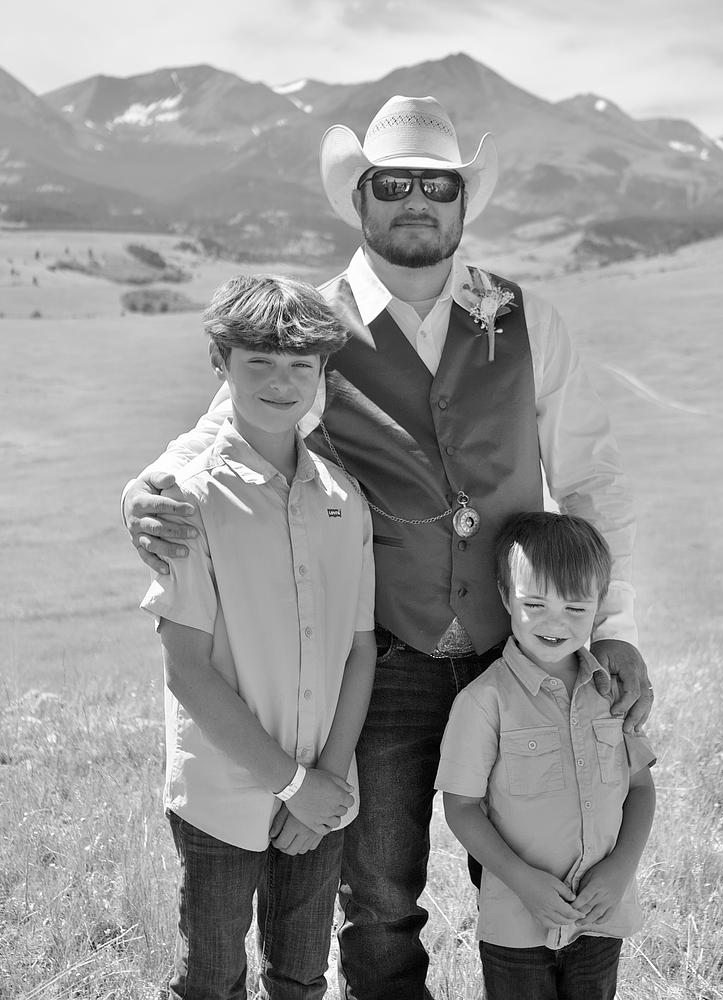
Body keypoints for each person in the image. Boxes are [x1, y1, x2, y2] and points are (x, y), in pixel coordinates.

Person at [123, 95, 654, 1000]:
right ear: (360, 197)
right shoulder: (315, 324)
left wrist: (612, 628)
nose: (416, 200)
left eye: (437, 186)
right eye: (394, 183)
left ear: (462, 202)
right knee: (376, 897)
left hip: (522, 653)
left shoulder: (528, 318)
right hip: (381, 657)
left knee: (547, 871)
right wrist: (144, 489)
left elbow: (591, 478)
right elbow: (222, 435)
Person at [139, 274, 377, 1000]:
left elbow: (360, 650)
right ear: (220, 362)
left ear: (323, 372)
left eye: (301, 365)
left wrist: (323, 784)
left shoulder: (345, 498)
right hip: (222, 796)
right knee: (212, 980)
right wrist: (294, 785)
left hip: (323, 792)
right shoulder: (189, 498)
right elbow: (186, 668)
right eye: (259, 363)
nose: (282, 382)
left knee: (302, 978)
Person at [436, 512, 656, 1000]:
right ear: (505, 596)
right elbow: (461, 808)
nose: (555, 623)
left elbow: (640, 788)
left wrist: (621, 870)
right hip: (519, 918)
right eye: (534, 604)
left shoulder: (610, 692)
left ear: (599, 606)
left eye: (575, 608)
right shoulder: (483, 701)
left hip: (601, 913)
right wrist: (523, 882)